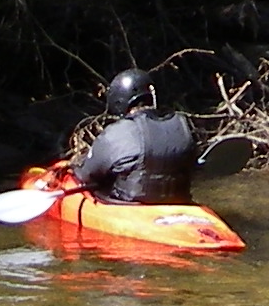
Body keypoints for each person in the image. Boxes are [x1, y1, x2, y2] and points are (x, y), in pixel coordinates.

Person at [66, 69, 199, 205]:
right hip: (181, 204)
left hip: (129, 206)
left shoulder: (117, 132)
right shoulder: (183, 125)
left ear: (119, 101)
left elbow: (85, 176)